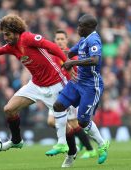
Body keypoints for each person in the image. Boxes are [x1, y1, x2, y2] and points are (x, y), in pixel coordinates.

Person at [0, 14, 76, 167]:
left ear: (16, 31)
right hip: (36, 84)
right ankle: (16, 141)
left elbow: (51, 46)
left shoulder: (28, 38)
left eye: (7, 34)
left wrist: (68, 62)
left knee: (65, 127)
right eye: (3, 34)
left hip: (55, 83)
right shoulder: (11, 47)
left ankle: (72, 153)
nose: (5, 37)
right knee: (9, 109)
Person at [53, 14, 110, 165]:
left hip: (91, 86)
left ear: (89, 27)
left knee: (83, 122)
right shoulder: (84, 39)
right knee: (58, 106)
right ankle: (62, 143)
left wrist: (72, 63)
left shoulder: (93, 39)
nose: (78, 28)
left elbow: (95, 60)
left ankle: (102, 144)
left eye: (80, 25)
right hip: (77, 82)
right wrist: (55, 53)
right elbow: (70, 53)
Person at [46, 29, 97, 159]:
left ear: (67, 40)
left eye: (62, 39)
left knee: (74, 123)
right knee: (51, 122)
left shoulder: (71, 55)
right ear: (54, 41)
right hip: (55, 92)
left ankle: (90, 149)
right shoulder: (51, 55)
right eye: (57, 39)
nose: (60, 41)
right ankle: (75, 142)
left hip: (69, 93)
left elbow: (79, 72)